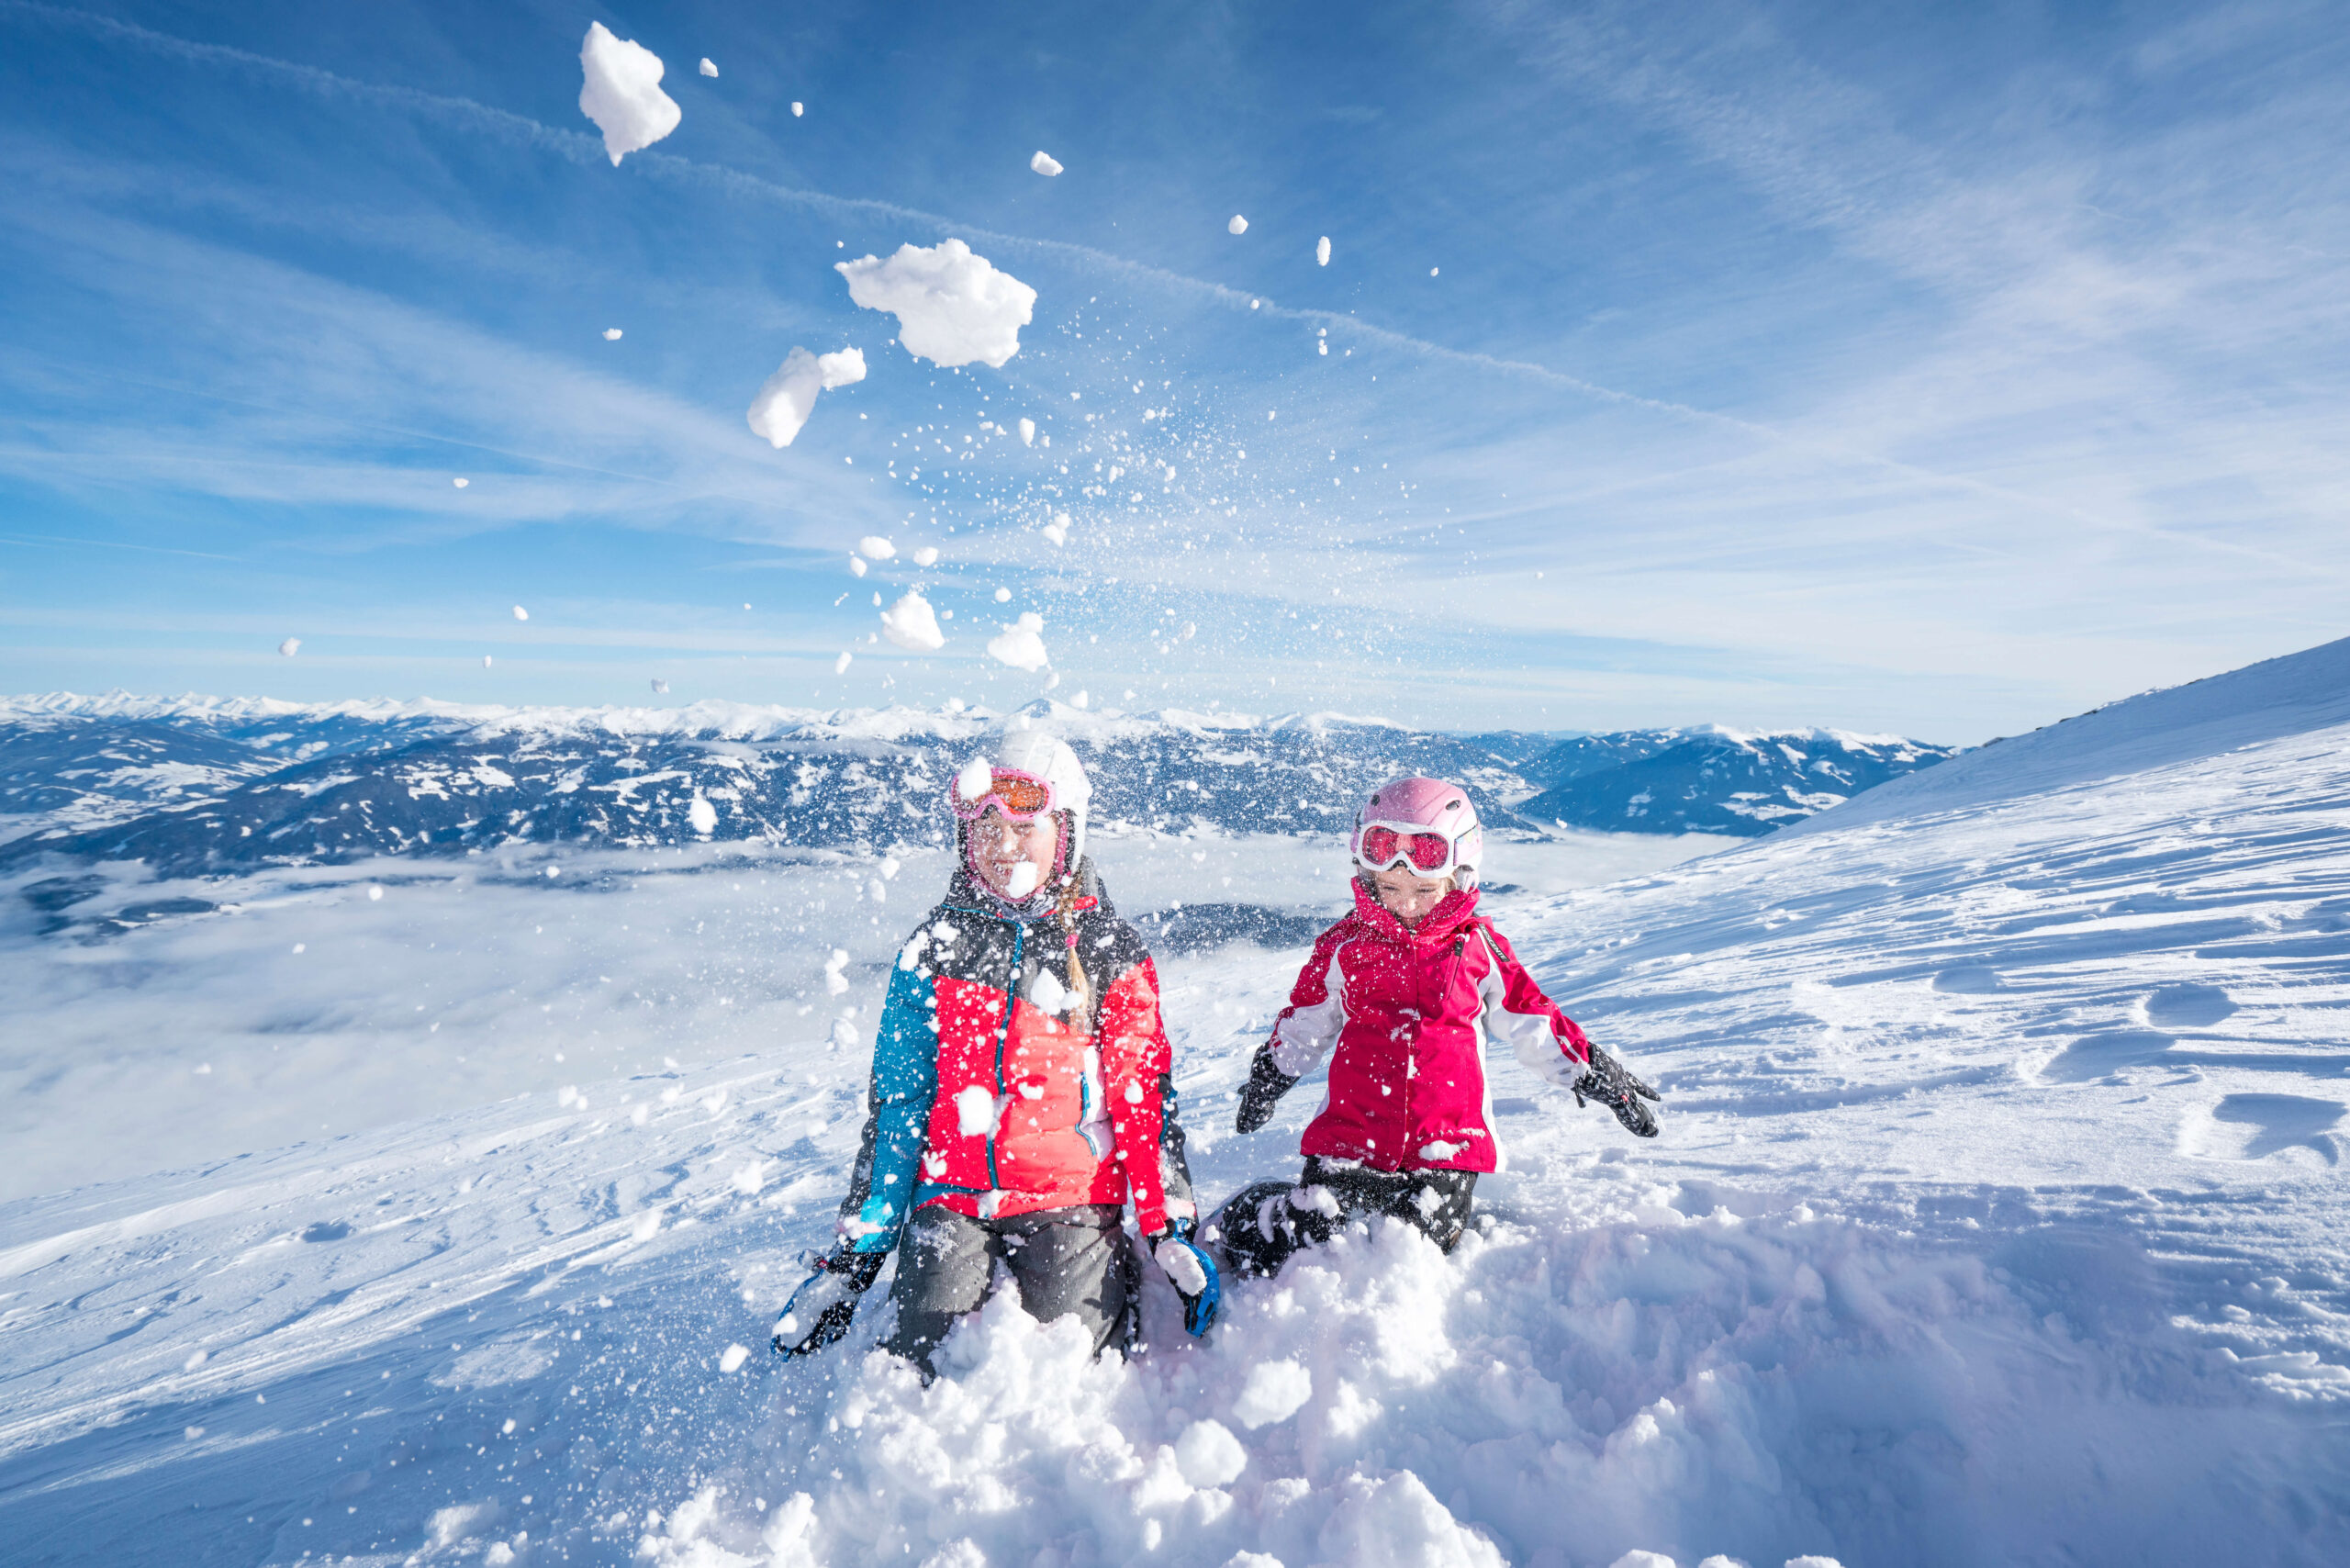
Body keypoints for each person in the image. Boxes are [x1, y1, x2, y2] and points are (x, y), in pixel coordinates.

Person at [771, 729, 1220, 1376]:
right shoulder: (935, 947)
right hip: (951, 1194)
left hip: (1068, 1194)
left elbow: (1141, 1094)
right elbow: (901, 1103)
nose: (1002, 846)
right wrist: (855, 1257)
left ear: (1066, 832)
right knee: (918, 1354)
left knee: (1073, 1359)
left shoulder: (1106, 949)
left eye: (1023, 828)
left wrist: (1167, 1227)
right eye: (984, 828)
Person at [1208, 776, 1661, 1279]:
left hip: (1443, 1147)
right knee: (1312, 1242)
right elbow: (1306, 1020)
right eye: (1390, 888)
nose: (1405, 903)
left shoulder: (1478, 949)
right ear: (1366, 874)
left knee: (1415, 1248)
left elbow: (1534, 1021)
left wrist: (1591, 1072)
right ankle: (1254, 1212)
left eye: (1423, 890)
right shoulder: (1344, 946)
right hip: (1349, 1135)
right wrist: (1272, 1075)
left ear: (1458, 876)